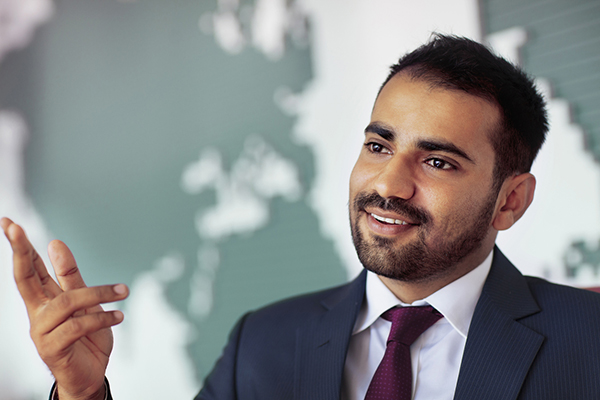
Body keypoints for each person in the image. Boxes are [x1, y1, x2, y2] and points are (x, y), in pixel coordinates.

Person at [3, 34, 600, 400]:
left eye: (438, 161)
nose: (389, 184)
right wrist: (83, 396)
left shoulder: (589, 342)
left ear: (510, 200)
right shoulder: (261, 345)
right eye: (379, 146)